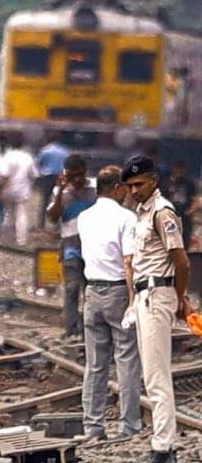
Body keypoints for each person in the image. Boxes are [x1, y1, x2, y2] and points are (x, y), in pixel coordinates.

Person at [122, 155, 195, 463]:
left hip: (157, 295)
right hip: (146, 295)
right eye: (130, 185)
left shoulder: (162, 212)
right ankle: (162, 446)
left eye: (139, 184)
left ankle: (163, 449)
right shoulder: (143, 212)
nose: (134, 190)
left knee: (156, 377)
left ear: (154, 181)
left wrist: (181, 299)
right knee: (152, 375)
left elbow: (182, 262)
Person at [76, 166, 142, 442]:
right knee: (126, 359)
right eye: (126, 187)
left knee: (95, 364)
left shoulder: (84, 216)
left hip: (92, 291)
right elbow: (129, 261)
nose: (128, 192)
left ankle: (93, 427)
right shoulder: (126, 218)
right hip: (117, 291)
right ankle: (128, 426)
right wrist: (133, 299)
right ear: (117, 187)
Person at [45, 154, 97, 338]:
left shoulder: (96, 188)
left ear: (86, 173)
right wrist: (60, 191)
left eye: (79, 175)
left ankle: (89, 328)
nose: (76, 180)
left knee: (91, 289)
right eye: (72, 175)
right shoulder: (60, 192)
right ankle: (71, 328)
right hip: (71, 247)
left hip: (95, 248)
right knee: (72, 288)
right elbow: (52, 216)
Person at [0, 135, 36, 247]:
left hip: (8, 189)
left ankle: (5, 239)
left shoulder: (7, 157)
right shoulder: (28, 157)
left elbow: (4, 175)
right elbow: (34, 174)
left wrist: (1, 190)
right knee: (21, 215)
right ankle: (21, 240)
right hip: (22, 190)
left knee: (7, 215)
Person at [35, 134, 71, 223]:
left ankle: (41, 223)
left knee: (45, 199)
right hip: (60, 177)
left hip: (47, 176)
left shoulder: (45, 150)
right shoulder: (65, 151)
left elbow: (38, 163)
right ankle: (59, 223)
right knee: (59, 200)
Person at [165, 160, 198, 247]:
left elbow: (194, 199)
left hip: (185, 218)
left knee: (184, 241)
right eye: (177, 169)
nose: (179, 172)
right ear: (173, 170)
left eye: (181, 170)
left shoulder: (189, 184)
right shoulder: (166, 183)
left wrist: (191, 210)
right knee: (170, 241)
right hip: (170, 217)